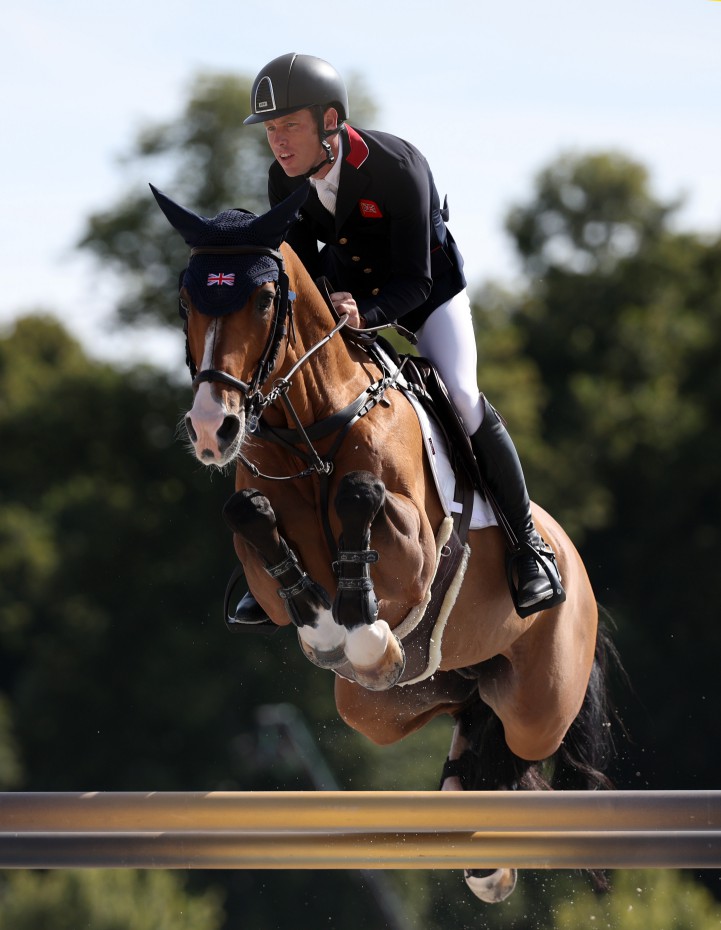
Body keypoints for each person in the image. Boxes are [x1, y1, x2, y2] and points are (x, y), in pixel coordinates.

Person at [235, 52, 564, 623]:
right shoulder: (281, 179)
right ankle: (266, 569)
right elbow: (301, 269)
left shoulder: (397, 165)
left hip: (425, 297)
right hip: (343, 304)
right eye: (270, 130)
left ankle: (526, 546)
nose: (278, 144)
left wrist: (368, 311)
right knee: (285, 397)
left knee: (461, 396)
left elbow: (417, 278)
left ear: (331, 120)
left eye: (290, 126)